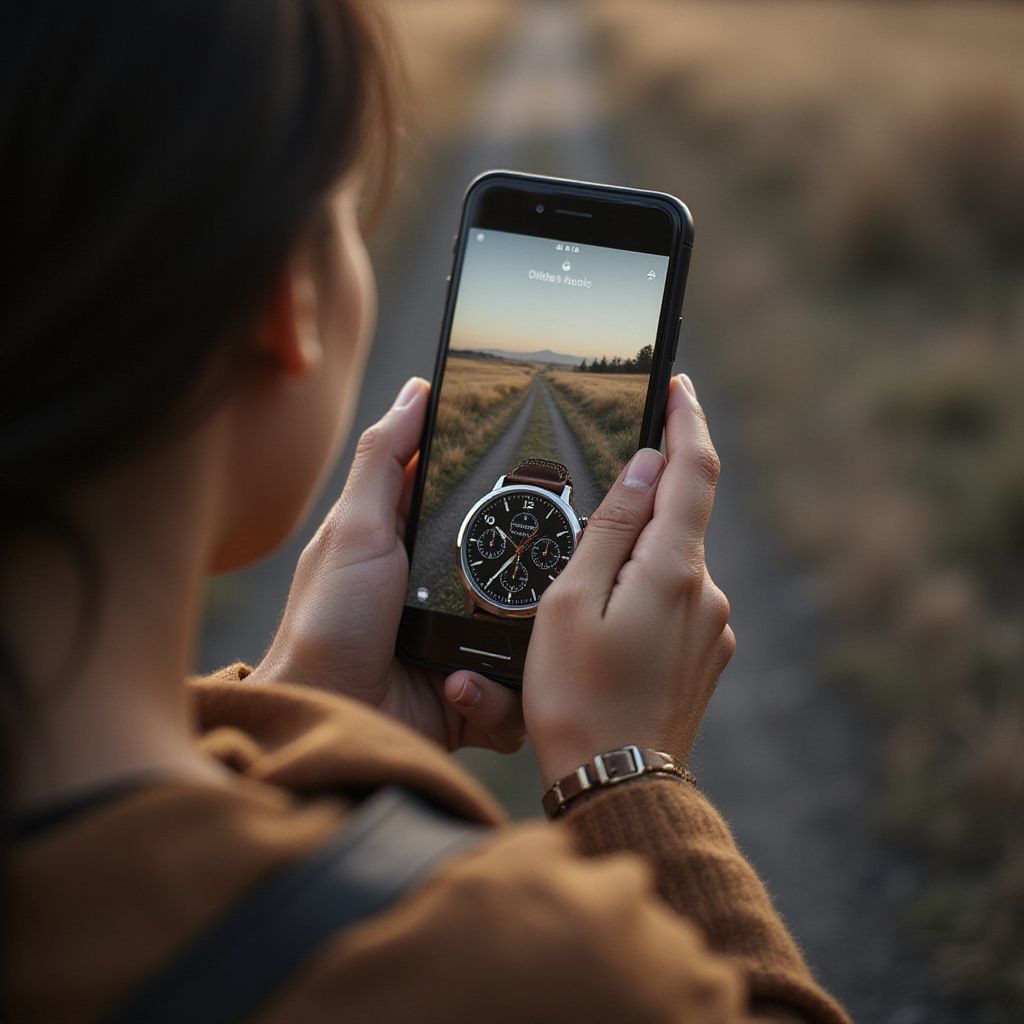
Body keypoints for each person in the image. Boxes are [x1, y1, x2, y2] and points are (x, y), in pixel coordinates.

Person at [1, 2, 849, 1022]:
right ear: (290, 304)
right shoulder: (509, 969)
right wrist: (629, 777)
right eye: (343, 214)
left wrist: (305, 706)